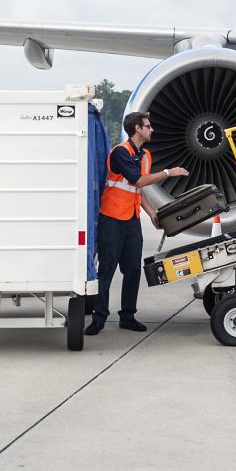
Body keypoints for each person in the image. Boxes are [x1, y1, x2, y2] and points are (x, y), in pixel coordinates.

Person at [86, 111, 188, 335]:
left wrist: (151, 213)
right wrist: (169, 173)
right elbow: (138, 180)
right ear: (137, 129)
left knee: (132, 270)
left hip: (131, 220)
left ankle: (128, 316)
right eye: (148, 126)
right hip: (112, 219)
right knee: (106, 270)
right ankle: (99, 317)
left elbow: (138, 190)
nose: (152, 129)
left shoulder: (145, 155)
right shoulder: (120, 152)